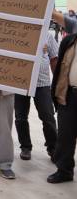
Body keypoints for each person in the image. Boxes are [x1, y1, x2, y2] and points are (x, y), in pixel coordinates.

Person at [14, 31, 58, 161]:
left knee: (48, 116)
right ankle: (25, 147)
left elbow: (54, 57)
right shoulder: (18, 32)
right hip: (20, 82)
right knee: (20, 117)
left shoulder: (48, 35)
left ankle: (53, 148)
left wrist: (57, 81)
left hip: (42, 83)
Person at [46, 28, 77, 183]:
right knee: (65, 135)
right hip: (69, 94)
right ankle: (64, 171)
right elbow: (58, 69)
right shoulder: (69, 41)